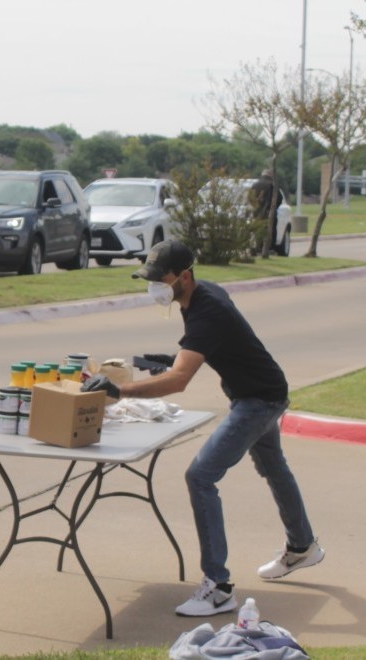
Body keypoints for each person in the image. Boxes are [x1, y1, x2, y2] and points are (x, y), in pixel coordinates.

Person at [82, 240, 323, 617]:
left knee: (200, 476)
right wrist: (177, 356)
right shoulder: (199, 297)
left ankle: (219, 587)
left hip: (258, 400)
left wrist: (118, 390)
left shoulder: (208, 309)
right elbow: (206, 349)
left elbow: (179, 381)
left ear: (184, 277)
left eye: (160, 280)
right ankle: (303, 546)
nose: (154, 287)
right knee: (274, 469)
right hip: (262, 391)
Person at [250, 169, 283, 248]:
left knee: (258, 229)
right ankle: (269, 248)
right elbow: (279, 198)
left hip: (257, 212)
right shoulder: (272, 185)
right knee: (270, 230)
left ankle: (258, 246)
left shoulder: (255, 185)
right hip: (269, 212)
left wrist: (256, 206)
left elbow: (250, 198)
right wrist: (274, 208)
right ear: (270, 175)